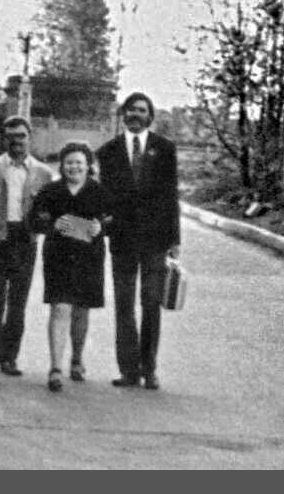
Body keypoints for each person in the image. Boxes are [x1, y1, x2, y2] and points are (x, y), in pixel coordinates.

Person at [95, 91, 181, 391]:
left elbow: (172, 196)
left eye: (141, 110)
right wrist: (104, 222)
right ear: (123, 114)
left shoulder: (164, 149)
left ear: (150, 116)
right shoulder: (107, 152)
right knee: (124, 305)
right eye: (130, 110)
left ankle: (150, 369)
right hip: (122, 240)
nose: (135, 114)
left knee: (151, 304)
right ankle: (129, 370)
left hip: (155, 241)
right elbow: (103, 195)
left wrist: (174, 239)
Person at [0, 116, 55, 379]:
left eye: (21, 135)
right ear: (4, 138)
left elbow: (50, 210)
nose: (16, 141)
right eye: (11, 136)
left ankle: (9, 357)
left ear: (29, 137)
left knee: (18, 302)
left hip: (25, 239)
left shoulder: (43, 173)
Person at [28, 143, 111, 393]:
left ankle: (76, 358)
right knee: (60, 307)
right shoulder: (51, 191)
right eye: (69, 162)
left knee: (81, 310)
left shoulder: (99, 191)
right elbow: (35, 219)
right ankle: (55, 367)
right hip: (59, 257)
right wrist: (54, 224)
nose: (74, 167)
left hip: (89, 258)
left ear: (88, 165)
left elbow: (112, 218)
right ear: (61, 166)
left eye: (79, 162)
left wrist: (100, 228)